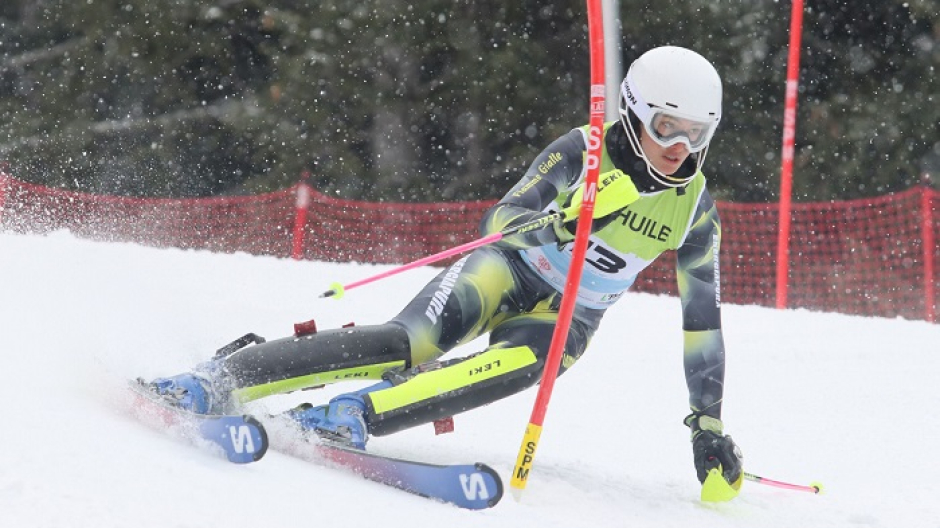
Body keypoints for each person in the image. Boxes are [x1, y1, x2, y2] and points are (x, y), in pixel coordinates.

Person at [145, 45, 743, 488]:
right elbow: (501, 218)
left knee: (520, 364)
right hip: (507, 268)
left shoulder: (695, 211)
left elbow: (702, 324)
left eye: (697, 134)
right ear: (635, 114)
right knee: (409, 343)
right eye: (668, 128)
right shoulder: (585, 150)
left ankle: (355, 413)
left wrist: (707, 426)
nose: (681, 149)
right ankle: (221, 378)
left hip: (567, 315)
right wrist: (560, 222)